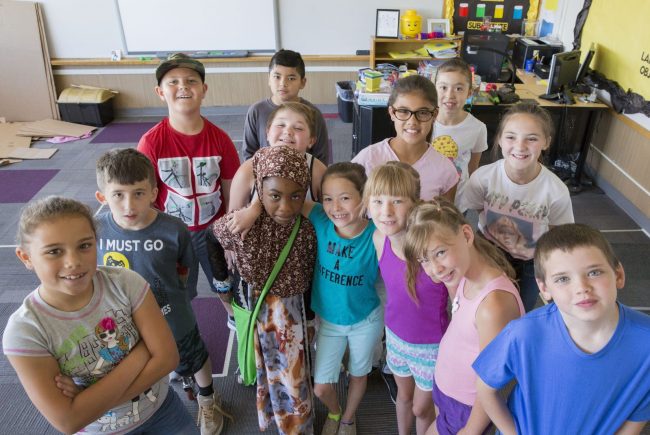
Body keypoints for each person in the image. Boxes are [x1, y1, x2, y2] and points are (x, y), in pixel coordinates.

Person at [2, 196, 197, 434]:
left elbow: (167, 359)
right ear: (26, 257)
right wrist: (143, 350)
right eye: (54, 251)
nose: (73, 262)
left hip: (163, 411)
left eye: (85, 246)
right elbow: (68, 421)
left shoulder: (125, 282)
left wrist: (88, 401)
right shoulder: (25, 332)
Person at [94, 148, 230, 434]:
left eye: (139, 193)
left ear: (155, 192)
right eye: (118, 194)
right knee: (140, 362)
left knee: (193, 355)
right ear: (102, 197)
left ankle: (207, 398)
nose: (129, 204)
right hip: (122, 322)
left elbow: (184, 269)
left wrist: (175, 299)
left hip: (172, 315)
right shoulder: (96, 231)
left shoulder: (173, 229)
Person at [473, 223, 650, 434]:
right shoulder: (524, 334)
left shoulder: (645, 344)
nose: (582, 288)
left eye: (594, 272)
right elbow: (485, 390)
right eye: (563, 279)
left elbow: (640, 410)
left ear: (618, 274)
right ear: (544, 288)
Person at [212, 145, 317, 434]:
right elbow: (212, 239)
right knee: (268, 370)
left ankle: (295, 427)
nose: (285, 207)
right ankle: (278, 418)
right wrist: (223, 286)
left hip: (292, 314)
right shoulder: (244, 222)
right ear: (260, 189)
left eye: (296, 196)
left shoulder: (309, 226)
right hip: (256, 307)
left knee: (292, 373)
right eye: (274, 196)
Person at [403, 199, 524, 435]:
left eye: (440, 252)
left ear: (467, 235)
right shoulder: (464, 276)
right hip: (448, 393)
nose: (435, 269)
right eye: (424, 260)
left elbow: (491, 383)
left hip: (466, 409)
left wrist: (471, 430)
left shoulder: (494, 305)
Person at [137, 53, 241, 325]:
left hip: (212, 232)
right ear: (160, 92)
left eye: (191, 81)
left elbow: (232, 191)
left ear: (203, 90)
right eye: (173, 82)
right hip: (172, 234)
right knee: (179, 292)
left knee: (225, 284)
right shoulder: (151, 143)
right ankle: (182, 331)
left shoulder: (220, 140)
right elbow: (144, 197)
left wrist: (229, 235)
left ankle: (235, 320)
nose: (183, 87)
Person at [460, 102, 574, 312]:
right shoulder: (483, 178)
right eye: (511, 137)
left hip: (530, 264)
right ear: (500, 140)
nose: (520, 146)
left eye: (531, 138)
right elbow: (478, 208)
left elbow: (560, 232)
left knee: (521, 310)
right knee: (484, 305)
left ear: (546, 142)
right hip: (489, 252)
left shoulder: (555, 190)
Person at [363, 162, 450, 435]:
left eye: (397, 201)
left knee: (422, 409)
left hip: (431, 347)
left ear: (415, 204)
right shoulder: (379, 239)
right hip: (396, 338)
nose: (386, 211)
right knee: (403, 397)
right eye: (377, 201)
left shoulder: (432, 250)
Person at [305, 163, 383, 435]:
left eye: (345, 198)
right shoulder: (319, 219)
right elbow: (284, 195)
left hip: (365, 319)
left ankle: (348, 417)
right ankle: (335, 412)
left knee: (357, 374)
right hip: (329, 323)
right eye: (328, 198)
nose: (335, 207)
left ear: (364, 197)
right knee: (322, 387)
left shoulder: (377, 234)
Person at [352, 74, 458, 202]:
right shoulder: (367, 160)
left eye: (423, 112)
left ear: (434, 115)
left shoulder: (445, 170)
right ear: (392, 113)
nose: (412, 121)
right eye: (403, 111)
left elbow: (445, 219)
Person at [227, 101, 327, 236]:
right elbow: (232, 219)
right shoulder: (247, 171)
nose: (288, 131)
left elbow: (330, 217)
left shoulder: (318, 172)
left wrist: (257, 206)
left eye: (298, 128)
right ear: (267, 133)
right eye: (281, 125)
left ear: (311, 140)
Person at [243, 49, 329, 163]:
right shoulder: (256, 111)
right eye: (277, 76)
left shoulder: (313, 113)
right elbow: (249, 154)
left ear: (302, 82)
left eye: (291, 78)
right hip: (264, 177)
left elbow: (321, 158)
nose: (283, 83)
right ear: (269, 78)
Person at [431, 58, 488, 209]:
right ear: (434, 88)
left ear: (469, 92)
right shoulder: (423, 122)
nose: (450, 95)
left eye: (459, 88)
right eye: (443, 87)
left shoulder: (478, 128)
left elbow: (472, 169)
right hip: (425, 200)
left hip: (457, 204)